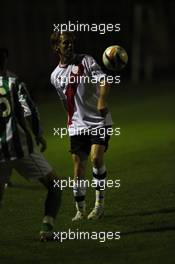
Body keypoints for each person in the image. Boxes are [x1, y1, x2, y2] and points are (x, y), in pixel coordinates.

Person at [0, 48, 62, 241]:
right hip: (19, 148)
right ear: (6, 60)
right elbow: (29, 110)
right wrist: (39, 134)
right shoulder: (13, 82)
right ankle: (47, 228)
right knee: (55, 185)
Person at [50, 32, 112, 221]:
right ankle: (80, 210)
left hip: (99, 120)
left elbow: (104, 80)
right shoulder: (55, 76)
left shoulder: (86, 61)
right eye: (65, 43)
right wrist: (72, 119)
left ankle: (99, 205)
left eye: (71, 43)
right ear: (56, 48)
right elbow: (64, 102)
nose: (69, 46)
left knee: (95, 158)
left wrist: (101, 100)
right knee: (78, 166)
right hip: (77, 126)